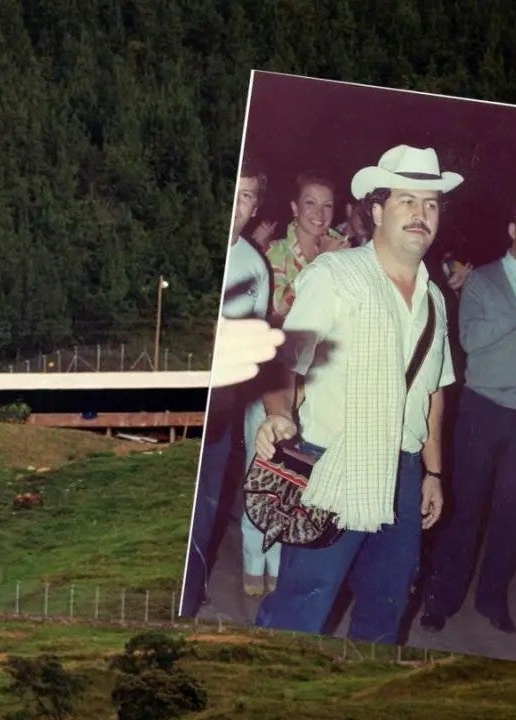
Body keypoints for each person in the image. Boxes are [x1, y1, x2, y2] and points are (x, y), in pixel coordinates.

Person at [253, 144, 461, 643]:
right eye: (407, 201)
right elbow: (284, 364)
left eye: (430, 204)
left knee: (386, 612)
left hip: (405, 474)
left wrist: (432, 472)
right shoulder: (334, 277)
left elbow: (432, 392)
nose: (420, 214)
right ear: (376, 210)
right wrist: (278, 415)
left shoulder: (435, 298)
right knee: (303, 608)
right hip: (332, 466)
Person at [419, 201, 516, 635]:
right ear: (513, 229)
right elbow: (471, 340)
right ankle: (441, 601)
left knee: (511, 514)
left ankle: (493, 601)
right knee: (464, 510)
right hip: (481, 412)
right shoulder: (483, 281)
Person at [183, 160, 278, 614]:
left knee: (206, 511)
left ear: (256, 207)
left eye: (244, 196)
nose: (234, 205)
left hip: (219, 414)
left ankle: (189, 595)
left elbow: (255, 355)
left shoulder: (256, 268)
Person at [264, 173, 350, 322]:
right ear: (295, 208)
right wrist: (320, 261)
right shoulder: (275, 251)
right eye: (311, 203)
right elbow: (278, 309)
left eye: (327, 205)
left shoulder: (344, 250)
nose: (319, 213)